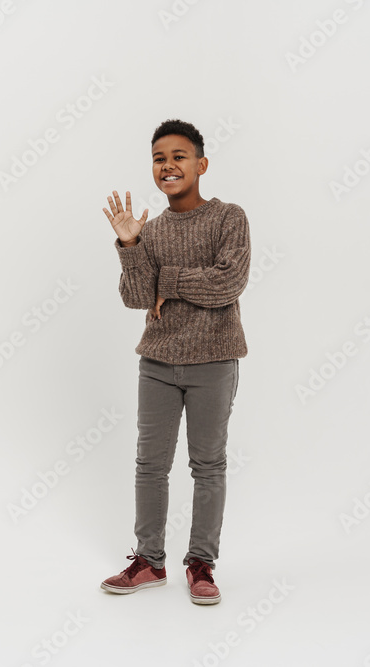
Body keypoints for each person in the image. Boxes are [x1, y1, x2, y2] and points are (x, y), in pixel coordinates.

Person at [99, 119, 251, 605]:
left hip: (214, 361)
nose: (168, 165)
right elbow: (136, 297)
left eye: (179, 156)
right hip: (157, 364)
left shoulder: (229, 218)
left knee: (207, 465)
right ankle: (149, 561)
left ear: (201, 165)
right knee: (150, 465)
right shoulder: (151, 231)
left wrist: (167, 280)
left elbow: (227, 283)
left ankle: (201, 564)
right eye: (159, 158)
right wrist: (130, 246)